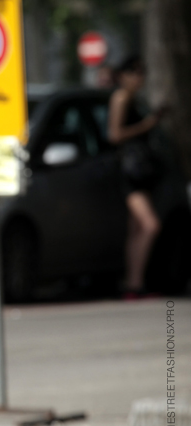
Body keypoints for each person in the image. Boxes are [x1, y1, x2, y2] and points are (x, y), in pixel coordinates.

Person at [107, 55, 163, 299]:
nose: (140, 78)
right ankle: (134, 283)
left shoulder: (135, 99)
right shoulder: (120, 98)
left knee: (137, 229)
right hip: (130, 170)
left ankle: (134, 283)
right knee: (151, 225)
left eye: (143, 73)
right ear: (123, 75)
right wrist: (147, 125)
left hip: (141, 170)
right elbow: (115, 134)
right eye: (135, 73)